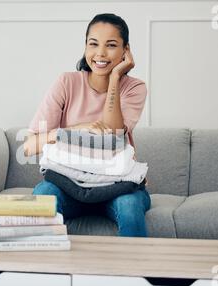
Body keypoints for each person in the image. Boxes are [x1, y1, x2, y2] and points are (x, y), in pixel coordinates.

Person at [24, 13, 150, 237]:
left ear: (125, 51)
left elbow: (112, 133)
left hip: (117, 187)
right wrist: (73, 131)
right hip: (67, 186)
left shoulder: (134, 88)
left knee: (129, 208)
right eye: (93, 44)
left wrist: (114, 78)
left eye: (111, 45)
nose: (100, 53)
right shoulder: (67, 82)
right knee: (44, 194)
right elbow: (29, 146)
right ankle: (44, 270)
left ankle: (135, 272)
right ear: (85, 47)